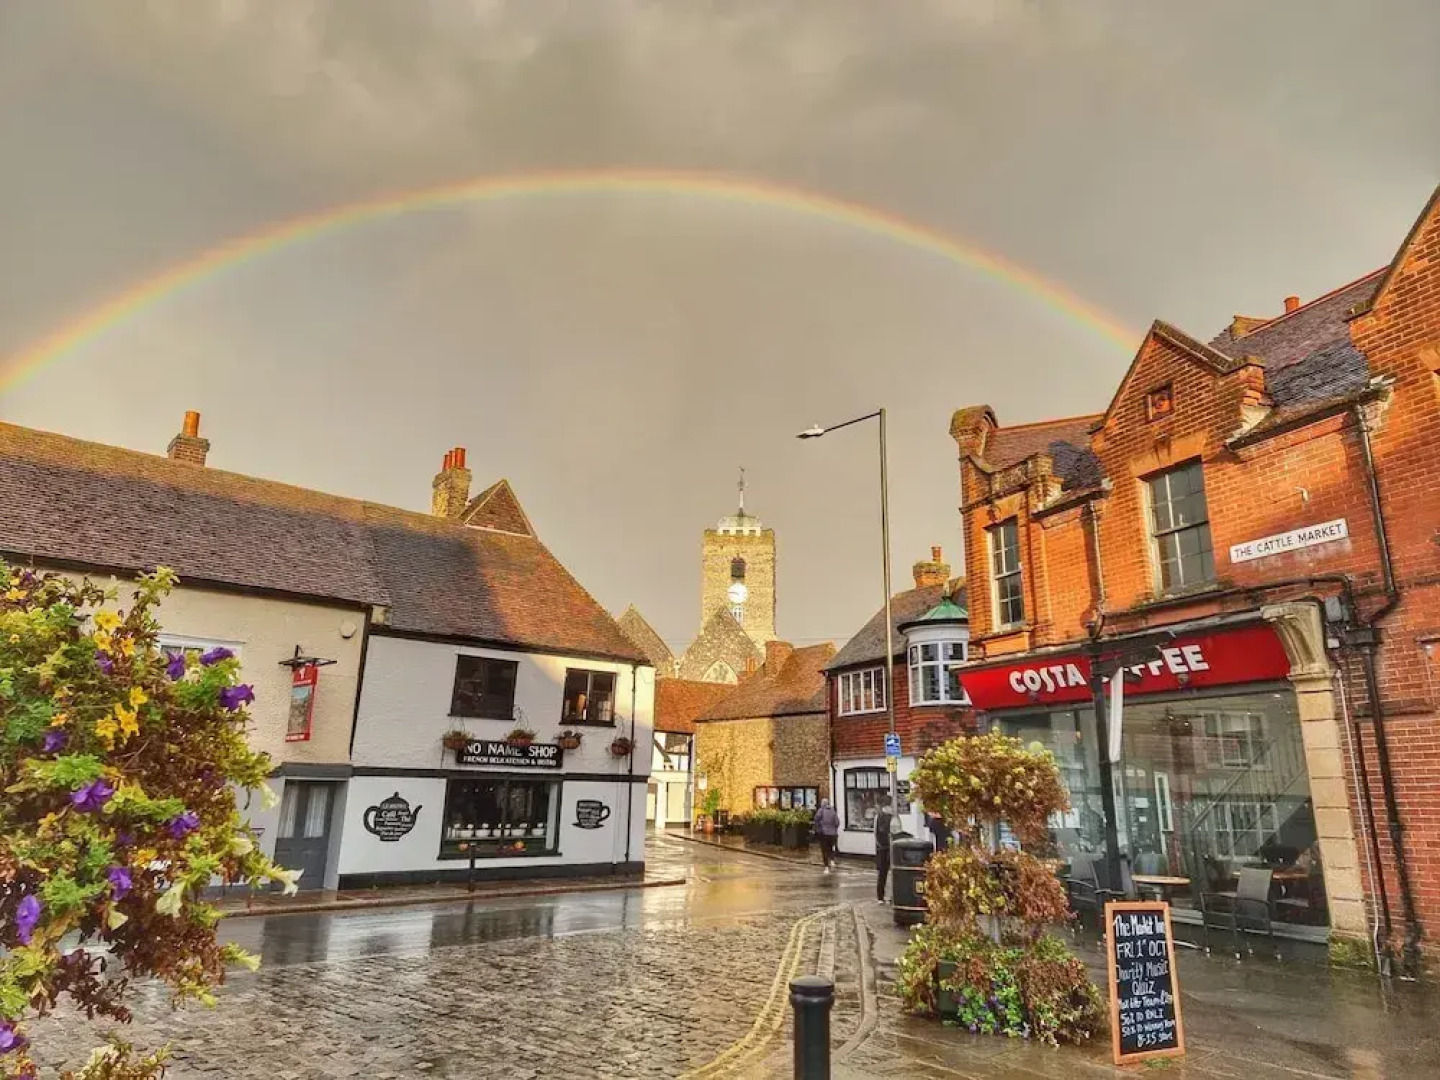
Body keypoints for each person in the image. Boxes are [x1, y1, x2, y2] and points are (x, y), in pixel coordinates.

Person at [874, 806, 901, 903]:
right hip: (892, 847)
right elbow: (898, 831)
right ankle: (893, 896)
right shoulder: (894, 817)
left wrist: (879, 845)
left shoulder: (878, 817)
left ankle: (880, 897)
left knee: (882, 873)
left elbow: (875, 834)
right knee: (894, 872)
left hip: (882, 848)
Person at [813, 799, 841, 873]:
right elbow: (837, 823)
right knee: (830, 848)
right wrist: (833, 829)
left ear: (823, 804)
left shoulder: (821, 810)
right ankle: (832, 860)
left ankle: (826, 867)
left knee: (824, 850)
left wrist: (819, 827)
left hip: (824, 833)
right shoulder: (833, 811)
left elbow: (816, 818)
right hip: (833, 834)